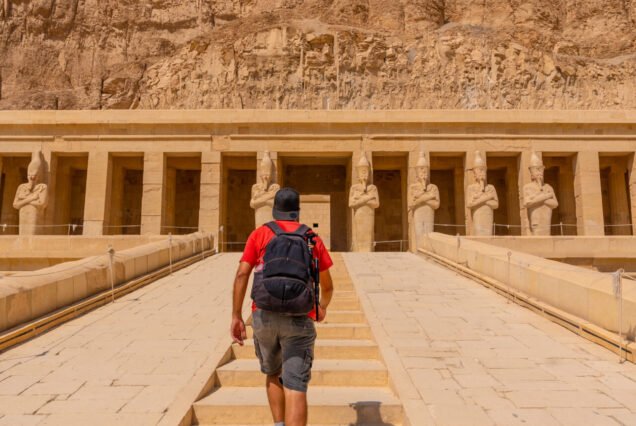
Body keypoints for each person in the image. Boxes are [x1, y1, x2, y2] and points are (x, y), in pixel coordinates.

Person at [231, 187, 334, 426]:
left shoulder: (261, 234)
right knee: (295, 384)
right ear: (297, 212)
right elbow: (327, 286)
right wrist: (321, 307)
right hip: (299, 316)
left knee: (273, 373)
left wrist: (237, 315)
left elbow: (241, 275)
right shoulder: (311, 238)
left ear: (275, 210)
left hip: (264, 315)